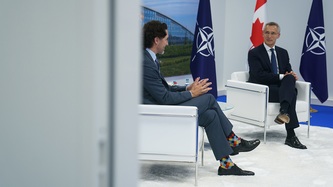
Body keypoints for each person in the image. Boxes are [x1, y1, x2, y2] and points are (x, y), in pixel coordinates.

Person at [142, 20, 260, 176]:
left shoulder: (149, 59)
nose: (168, 43)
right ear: (156, 40)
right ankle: (233, 140)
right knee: (209, 98)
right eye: (166, 39)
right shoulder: (145, 63)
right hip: (158, 112)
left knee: (210, 116)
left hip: (161, 106)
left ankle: (226, 165)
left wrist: (186, 88)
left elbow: (163, 89)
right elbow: (164, 98)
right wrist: (192, 94)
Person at [247, 22, 307, 149]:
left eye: (273, 33)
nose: (269, 36)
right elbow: (259, 76)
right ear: (262, 34)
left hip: (280, 89)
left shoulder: (283, 52)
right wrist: (282, 77)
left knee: (290, 78)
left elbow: (287, 71)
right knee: (292, 93)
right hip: (263, 90)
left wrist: (290, 75)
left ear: (278, 35)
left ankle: (284, 112)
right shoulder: (254, 53)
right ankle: (290, 134)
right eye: (267, 33)